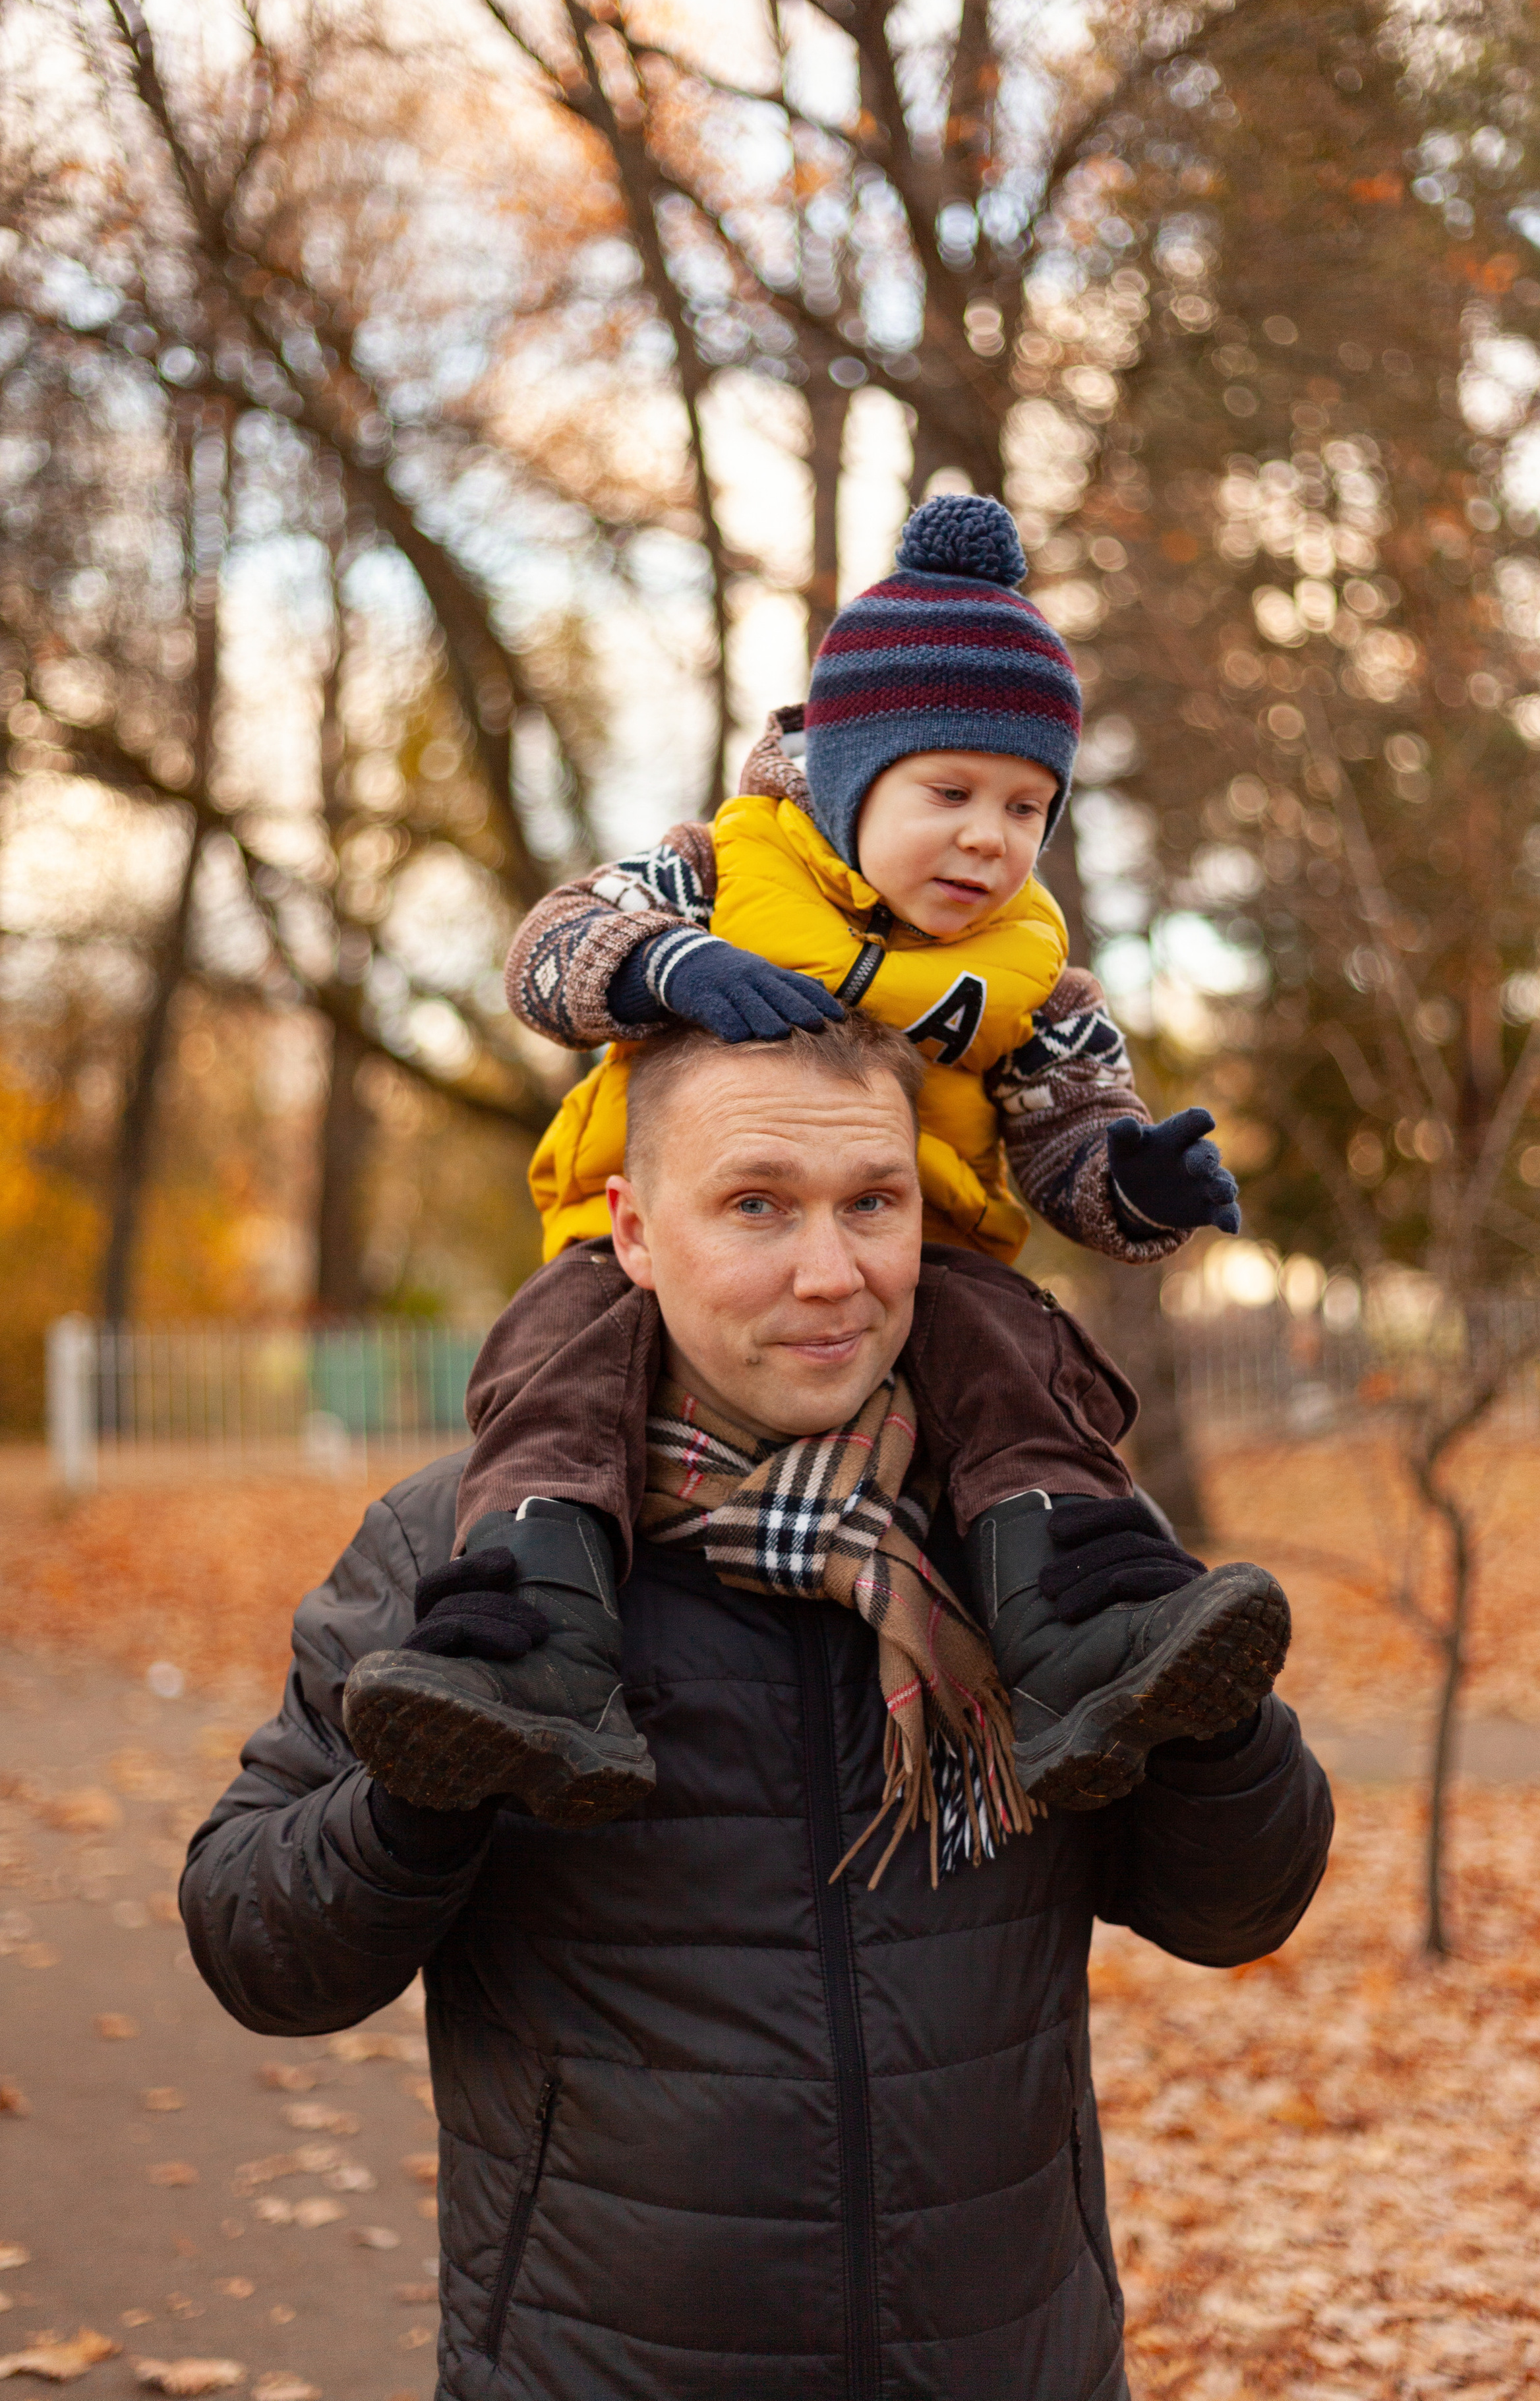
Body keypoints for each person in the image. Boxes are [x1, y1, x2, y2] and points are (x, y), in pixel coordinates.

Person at [181, 1015, 1332, 2401]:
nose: (830, 1273)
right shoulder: (475, 1552)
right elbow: (258, 1946)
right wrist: (420, 1796)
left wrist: (1210, 1726)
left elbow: (1233, 1911)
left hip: (1009, 2362)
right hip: (594, 2370)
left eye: (872, 1203)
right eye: (756, 1207)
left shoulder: (1038, 1524)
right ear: (633, 1231)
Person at [346, 493, 1257, 1832]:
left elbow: (1069, 1132)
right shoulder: (719, 870)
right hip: (649, 1234)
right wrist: (666, 965)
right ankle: (535, 1641)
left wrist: (1131, 1185)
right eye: (949, 792)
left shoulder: (1034, 975)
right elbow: (547, 952)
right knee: (559, 1364)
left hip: (919, 1252)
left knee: (1015, 1352)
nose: (989, 838)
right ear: (847, 774)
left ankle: (1074, 1631)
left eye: (1027, 806)